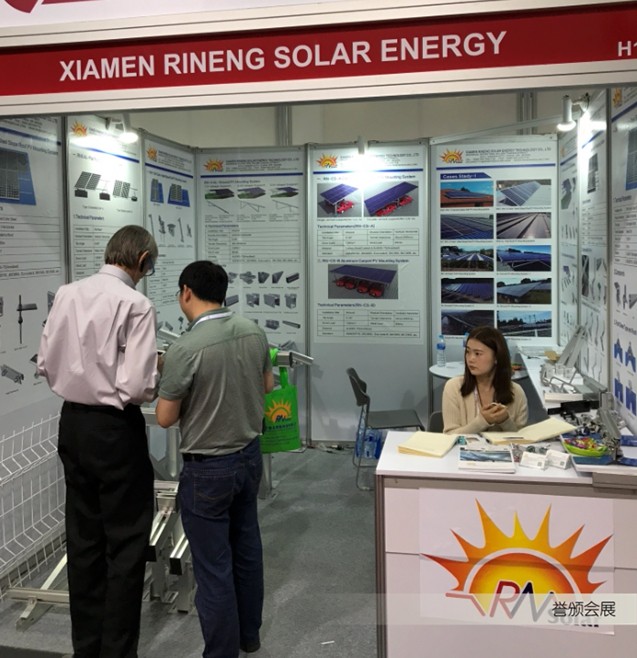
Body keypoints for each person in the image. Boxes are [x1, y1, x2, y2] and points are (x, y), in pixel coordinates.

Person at [37, 225, 160, 658]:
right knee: (125, 543)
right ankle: (117, 651)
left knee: (83, 539)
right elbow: (139, 386)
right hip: (115, 429)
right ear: (142, 260)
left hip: (72, 423)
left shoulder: (67, 293)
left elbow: (46, 362)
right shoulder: (136, 304)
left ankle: (86, 648)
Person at [156, 260, 274, 658]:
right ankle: (248, 636)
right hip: (249, 457)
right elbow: (267, 385)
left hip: (207, 468)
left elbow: (165, 417)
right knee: (246, 548)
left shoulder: (185, 348)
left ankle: (221, 653)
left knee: (212, 567)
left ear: (186, 292)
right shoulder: (254, 331)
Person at [442, 326, 528, 434]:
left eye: (477, 353)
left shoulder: (516, 392)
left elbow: (522, 439)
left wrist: (505, 421)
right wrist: (482, 421)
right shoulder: (454, 387)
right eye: (468, 352)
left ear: (496, 357)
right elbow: (449, 436)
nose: (470, 359)